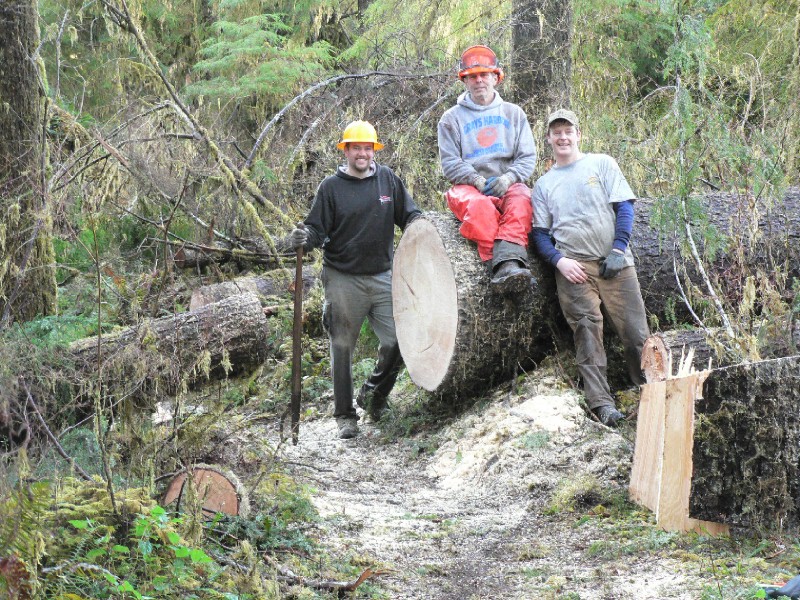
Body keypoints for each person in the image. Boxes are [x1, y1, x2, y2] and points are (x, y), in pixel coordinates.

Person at [290, 120, 421, 440]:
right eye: (356, 148)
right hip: (342, 277)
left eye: (368, 148)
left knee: (400, 339)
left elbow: (410, 215)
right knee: (342, 346)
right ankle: (345, 416)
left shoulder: (388, 180)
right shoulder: (330, 188)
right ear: (345, 150)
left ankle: (374, 396)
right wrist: (302, 238)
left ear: (374, 151)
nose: (362, 154)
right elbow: (317, 231)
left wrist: (421, 228)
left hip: (382, 275)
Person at [531, 109, 650, 427]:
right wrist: (559, 261)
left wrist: (618, 248)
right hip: (575, 270)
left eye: (568, 131)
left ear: (578, 134)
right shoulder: (544, 185)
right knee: (587, 332)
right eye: (556, 132)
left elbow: (624, 207)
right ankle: (602, 404)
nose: (563, 137)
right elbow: (540, 236)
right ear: (549, 139)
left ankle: (650, 392)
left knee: (636, 332)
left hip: (616, 262)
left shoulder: (602, 164)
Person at [437, 44, 538, 294]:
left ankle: (509, 263)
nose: (479, 80)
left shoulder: (514, 114)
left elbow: (527, 157)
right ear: (465, 80)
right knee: (480, 208)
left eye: (484, 74)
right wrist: (476, 180)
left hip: (508, 182)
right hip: (469, 187)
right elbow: (450, 163)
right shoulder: (450, 119)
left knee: (523, 200)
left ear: (496, 77)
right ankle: (500, 266)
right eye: (472, 76)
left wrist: (509, 178)